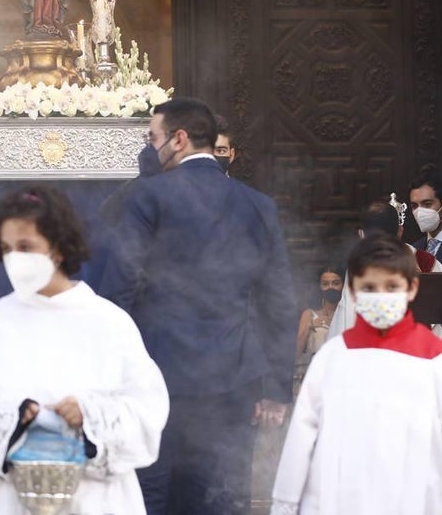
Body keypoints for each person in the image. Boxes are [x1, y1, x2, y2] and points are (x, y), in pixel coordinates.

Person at [100, 98, 297, 515]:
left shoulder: (148, 194)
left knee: (150, 494)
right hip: (233, 377)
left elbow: (120, 288)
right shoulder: (257, 204)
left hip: (158, 374)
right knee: (220, 496)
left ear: (179, 139)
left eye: (152, 138)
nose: (149, 147)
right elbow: (278, 299)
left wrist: (107, 371)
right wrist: (277, 388)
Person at [0, 185, 169, 515]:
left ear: (58, 247)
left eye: (26, 247)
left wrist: (89, 417)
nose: (15, 259)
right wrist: (9, 418)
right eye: (7, 249)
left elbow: (147, 412)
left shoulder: (110, 325)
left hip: (90, 500)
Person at [271, 235, 442, 514]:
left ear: (412, 288)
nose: (380, 297)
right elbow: (301, 439)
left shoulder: (441, 363)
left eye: (391, 287)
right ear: (352, 291)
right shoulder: (332, 359)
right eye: (369, 288)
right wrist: (286, 504)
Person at [327, 199, 442, 339]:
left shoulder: (357, 270)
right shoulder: (429, 264)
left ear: (361, 235)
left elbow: (346, 323)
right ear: (400, 232)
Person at [294, 268, 341, 389]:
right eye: (325, 284)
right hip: (316, 375)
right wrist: (310, 326)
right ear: (320, 287)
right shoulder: (310, 314)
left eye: (335, 283)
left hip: (342, 375)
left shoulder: (348, 316)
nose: (330, 287)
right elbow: (296, 352)